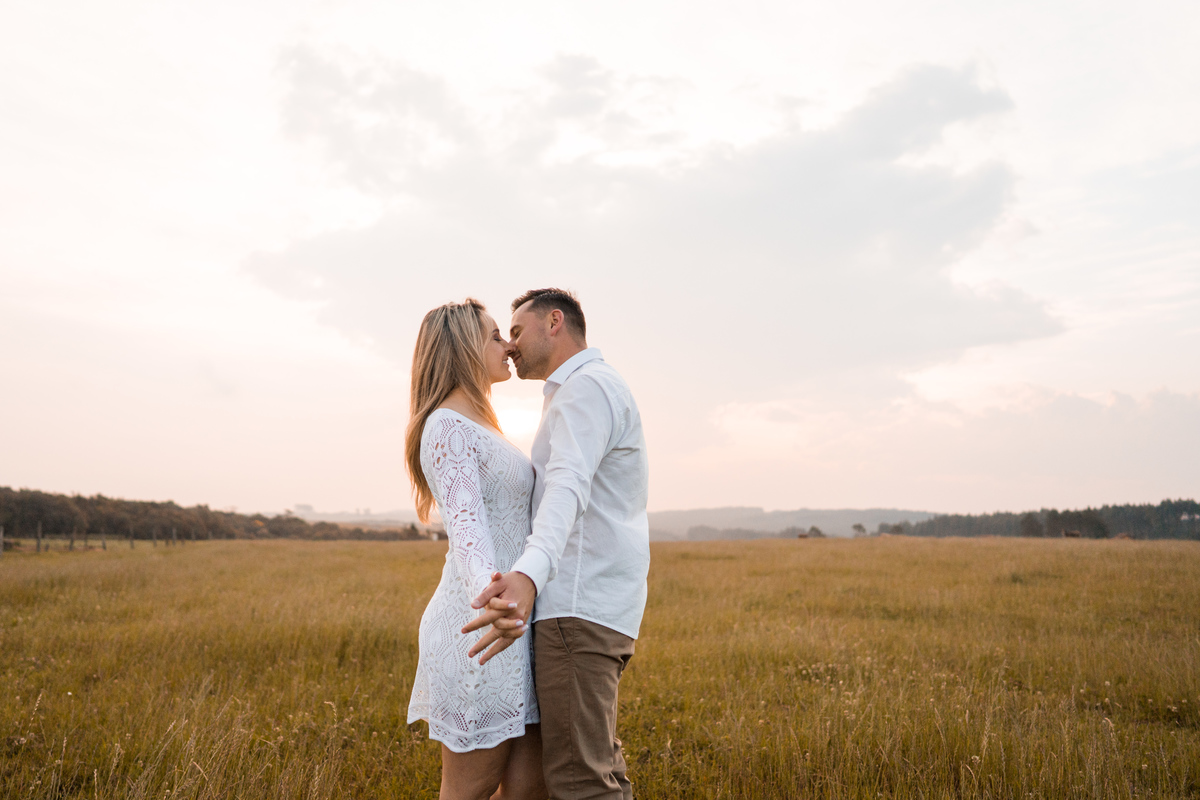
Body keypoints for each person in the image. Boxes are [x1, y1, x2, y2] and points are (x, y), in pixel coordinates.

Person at [465, 288, 650, 800]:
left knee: (579, 781)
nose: (511, 345)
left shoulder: (585, 389)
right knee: (598, 767)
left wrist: (528, 574)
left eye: (517, 331)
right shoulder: (588, 387)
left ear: (554, 322)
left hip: (575, 607)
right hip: (593, 607)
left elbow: (567, 486)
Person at [404, 298, 546, 800]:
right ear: (463, 347)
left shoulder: (486, 426)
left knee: (532, 789)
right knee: (470, 789)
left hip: (514, 628)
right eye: (493, 336)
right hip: (482, 631)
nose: (508, 346)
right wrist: (495, 602)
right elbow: (468, 532)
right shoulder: (445, 425)